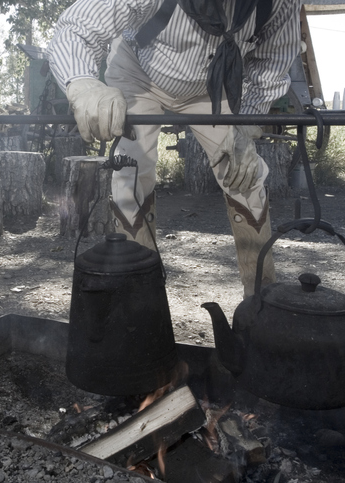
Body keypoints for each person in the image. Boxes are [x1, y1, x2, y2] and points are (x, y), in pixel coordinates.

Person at [48, 0, 302, 297]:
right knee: (131, 175)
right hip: (138, 73)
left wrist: (247, 124)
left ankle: (260, 301)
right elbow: (78, 27)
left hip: (213, 84)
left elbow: (273, 60)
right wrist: (83, 84)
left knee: (244, 175)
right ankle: (139, 298)